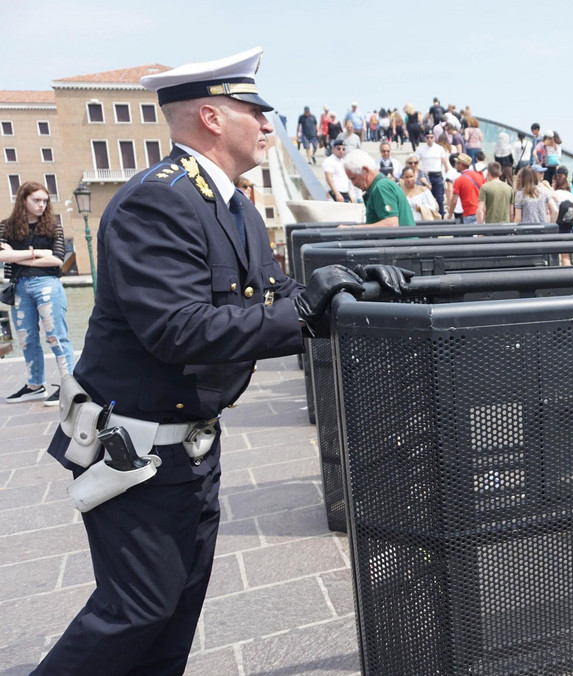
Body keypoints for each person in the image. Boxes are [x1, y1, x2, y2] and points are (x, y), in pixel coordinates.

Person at [30, 47, 373, 676]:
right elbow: (177, 330)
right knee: (134, 611)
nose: (270, 125)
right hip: (136, 449)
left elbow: (273, 298)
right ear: (213, 118)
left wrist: (349, 292)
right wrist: (303, 314)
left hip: (188, 444)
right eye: (256, 111)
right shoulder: (154, 203)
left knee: (174, 611)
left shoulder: (233, 204)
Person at [1, 181, 74, 406]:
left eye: (45, 200)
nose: (42, 205)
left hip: (48, 284)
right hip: (19, 286)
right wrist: (39, 254)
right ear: (23, 200)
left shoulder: (53, 227)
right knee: (26, 339)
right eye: (36, 200)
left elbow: (57, 260)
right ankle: (35, 385)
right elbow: (2, 257)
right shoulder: (6, 227)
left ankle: (69, 387)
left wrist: (19, 254)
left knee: (56, 336)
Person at [342, 148, 415, 227]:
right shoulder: (381, 185)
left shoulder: (381, 187)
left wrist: (353, 229)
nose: (353, 183)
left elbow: (391, 223)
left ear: (365, 170)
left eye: (353, 178)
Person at [416, 130, 451, 215]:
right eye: (427, 137)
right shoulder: (421, 149)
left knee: (439, 197)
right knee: (428, 197)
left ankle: (441, 214)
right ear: (425, 138)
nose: (429, 139)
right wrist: (419, 172)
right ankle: (430, 214)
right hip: (427, 176)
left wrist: (449, 174)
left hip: (437, 175)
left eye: (431, 137)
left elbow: (445, 162)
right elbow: (415, 161)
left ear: (434, 138)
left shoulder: (439, 148)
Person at [447, 153, 484, 223]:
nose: (455, 165)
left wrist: (450, 213)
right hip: (480, 211)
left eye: (456, 163)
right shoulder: (479, 175)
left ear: (460, 164)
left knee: (469, 233)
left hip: (469, 213)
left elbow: (454, 200)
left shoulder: (459, 180)